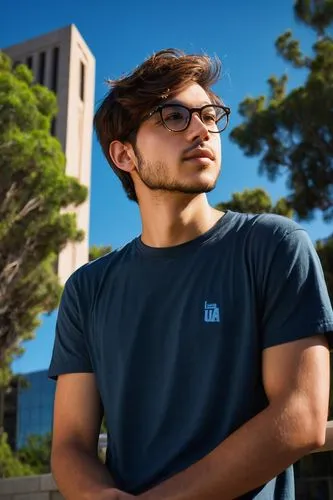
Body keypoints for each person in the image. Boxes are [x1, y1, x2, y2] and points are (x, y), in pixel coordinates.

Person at [48, 49, 333, 500]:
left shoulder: (273, 246)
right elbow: (69, 445)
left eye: (210, 115)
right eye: (174, 116)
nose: (202, 130)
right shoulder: (87, 289)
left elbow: (301, 416)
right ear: (124, 155)